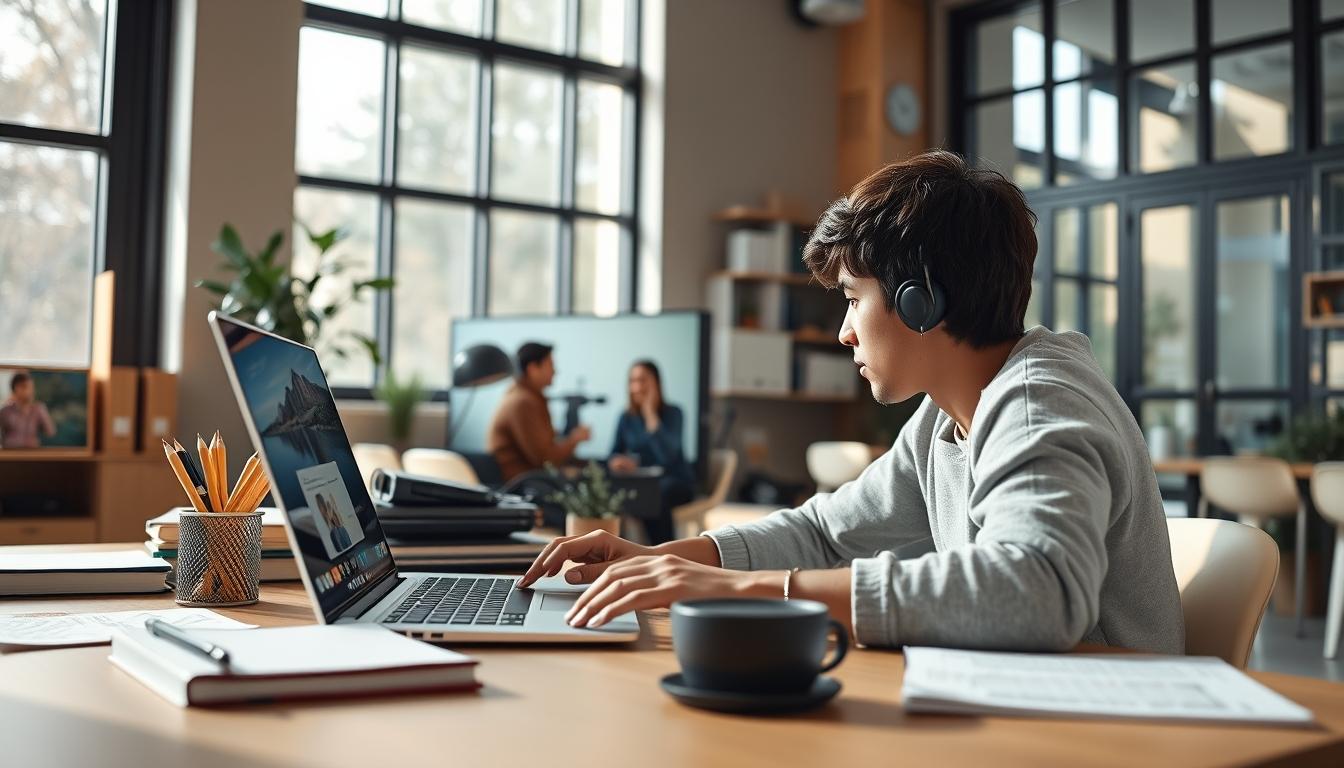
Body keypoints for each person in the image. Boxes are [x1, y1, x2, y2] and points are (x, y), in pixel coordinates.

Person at [518, 150, 1185, 655]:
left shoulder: (1039, 404)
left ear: (922, 300)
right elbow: (823, 533)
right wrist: (663, 560)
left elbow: (1037, 592)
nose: (843, 331)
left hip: (1106, 737)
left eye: (851, 298)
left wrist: (749, 593)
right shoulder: (944, 420)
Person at [609, 360, 695, 544]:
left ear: (656, 383)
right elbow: (613, 454)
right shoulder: (626, 418)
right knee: (617, 493)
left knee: (655, 494)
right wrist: (619, 462)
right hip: (641, 481)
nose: (637, 386)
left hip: (675, 480)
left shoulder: (674, 413)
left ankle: (663, 552)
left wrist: (650, 414)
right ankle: (619, 549)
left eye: (643, 380)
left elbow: (668, 456)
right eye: (633, 381)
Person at [487, 342, 592, 483]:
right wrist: (574, 439)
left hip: (531, 478)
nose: (555, 371)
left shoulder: (528, 398)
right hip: (523, 483)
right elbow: (546, 460)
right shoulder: (523, 403)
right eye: (550, 365)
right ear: (533, 368)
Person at [0, 372, 56, 450]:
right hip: (10, 456)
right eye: (25, 387)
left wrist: (42, 412)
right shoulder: (5, 411)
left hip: (32, 456)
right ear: (15, 388)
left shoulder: (38, 409)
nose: (30, 391)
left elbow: (50, 432)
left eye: (31, 387)